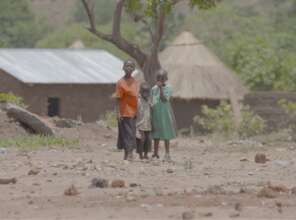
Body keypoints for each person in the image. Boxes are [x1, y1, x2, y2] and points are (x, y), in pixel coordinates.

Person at [151, 70, 177, 161]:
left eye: (162, 78)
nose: (160, 80)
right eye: (158, 78)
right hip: (156, 114)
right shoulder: (153, 89)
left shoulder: (169, 88)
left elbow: (164, 99)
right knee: (156, 134)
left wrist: (161, 88)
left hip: (165, 114)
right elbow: (152, 100)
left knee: (166, 133)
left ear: (166, 78)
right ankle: (155, 153)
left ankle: (167, 153)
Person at [115, 60, 138, 161]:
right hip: (124, 112)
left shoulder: (135, 82)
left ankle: (129, 154)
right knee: (125, 134)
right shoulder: (120, 82)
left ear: (134, 69)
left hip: (134, 112)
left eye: (131, 66)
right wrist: (118, 113)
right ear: (123, 68)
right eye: (127, 66)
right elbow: (118, 99)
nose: (129, 68)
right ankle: (128, 154)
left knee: (131, 134)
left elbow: (137, 97)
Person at [136, 82, 152, 160]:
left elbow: (151, 109)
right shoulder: (138, 101)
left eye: (147, 92)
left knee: (148, 140)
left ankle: (146, 154)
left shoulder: (149, 101)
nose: (145, 94)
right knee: (142, 139)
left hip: (148, 124)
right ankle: (140, 155)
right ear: (141, 92)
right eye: (144, 92)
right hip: (140, 123)